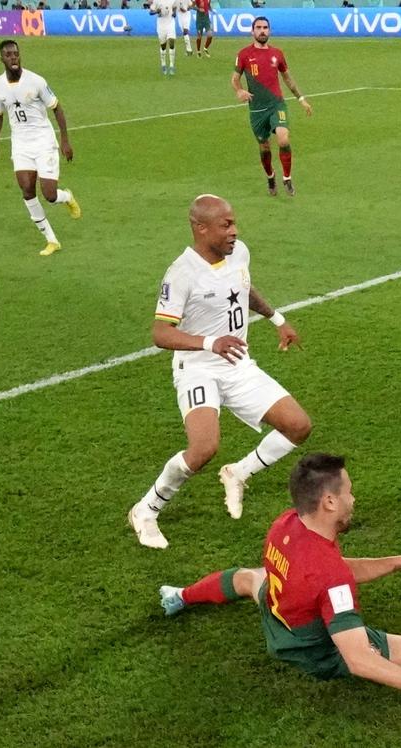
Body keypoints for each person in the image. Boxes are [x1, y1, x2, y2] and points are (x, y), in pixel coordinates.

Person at [158, 452, 401, 714]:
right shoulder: (332, 580)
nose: (353, 498)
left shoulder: (287, 523)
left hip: (277, 613)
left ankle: (180, 596)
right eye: (349, 491)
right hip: (312, 649)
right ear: (330, 502)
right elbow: (359, 659)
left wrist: (396, 562)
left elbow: (323, 570)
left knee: (249, 578)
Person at [128, 194, 312, 550]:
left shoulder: (238, 252)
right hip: (198, 368)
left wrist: (277, 319)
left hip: (236, 363)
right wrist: (211, 343)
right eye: (226, 225)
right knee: (203, 448)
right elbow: (160, 333)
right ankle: (146, 509)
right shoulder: (182, 273)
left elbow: (243, 289)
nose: (234, 231)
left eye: (234, 223)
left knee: (298, 426)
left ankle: (239, 472)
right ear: (201, 228)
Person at [0, 40, 81, 257]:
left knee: (49, 194)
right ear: (1, 59)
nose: (13, 58)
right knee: (27, 190)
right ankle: (51, 240)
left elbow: (57, 108)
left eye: (16, 54)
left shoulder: (36, 81)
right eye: (8, 55)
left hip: (43, 141)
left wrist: (65, 140)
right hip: (20, 144)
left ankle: (66, 197)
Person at [232, 17, 312, 197]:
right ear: (252, 31)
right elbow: (235, 79)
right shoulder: (244, 54)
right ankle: (270, 176)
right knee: (264, 147)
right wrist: (239, 91)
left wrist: (301, 99)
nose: (262, 31)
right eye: (258, 28)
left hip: (277, 104)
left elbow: (288, 79)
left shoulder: (277, 53)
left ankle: (287, 178)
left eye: (265, 28)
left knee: (283, 139)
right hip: (257, 110)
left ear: (270, 31)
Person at [150, 0, 177, 76]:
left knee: (171, 42)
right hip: (161, 25)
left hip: (170, 23)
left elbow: (174, 6)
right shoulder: (156, 1)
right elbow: (150, 12)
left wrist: (174, 13)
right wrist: (156, 11)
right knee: (163, 46)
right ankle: (163, 64)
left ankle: (172, 65)